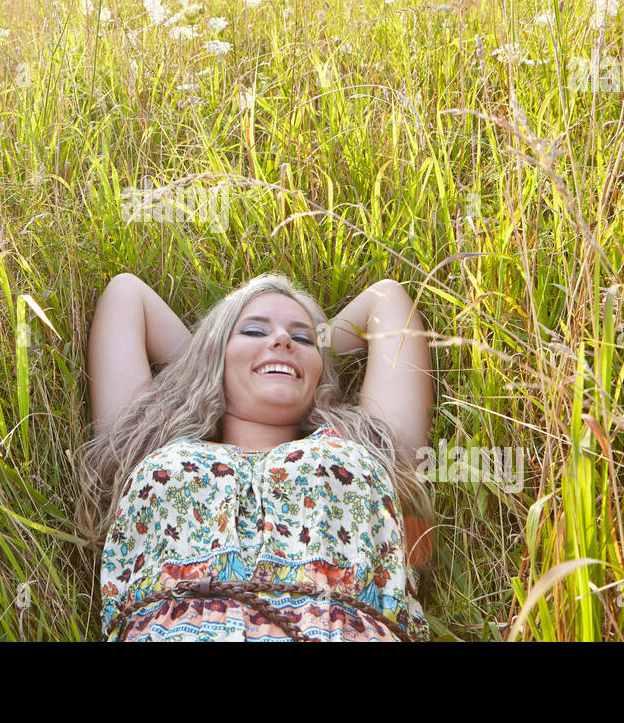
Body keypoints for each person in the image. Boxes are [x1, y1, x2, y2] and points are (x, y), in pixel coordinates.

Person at [75, 272, 437, 641]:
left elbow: (387, 300)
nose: (282, 339)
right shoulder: (148, 442)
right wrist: (207, 357)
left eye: (301, 337)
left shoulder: (365, 443)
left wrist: (311, 349)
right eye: (253, 331)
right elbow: (126, 294)